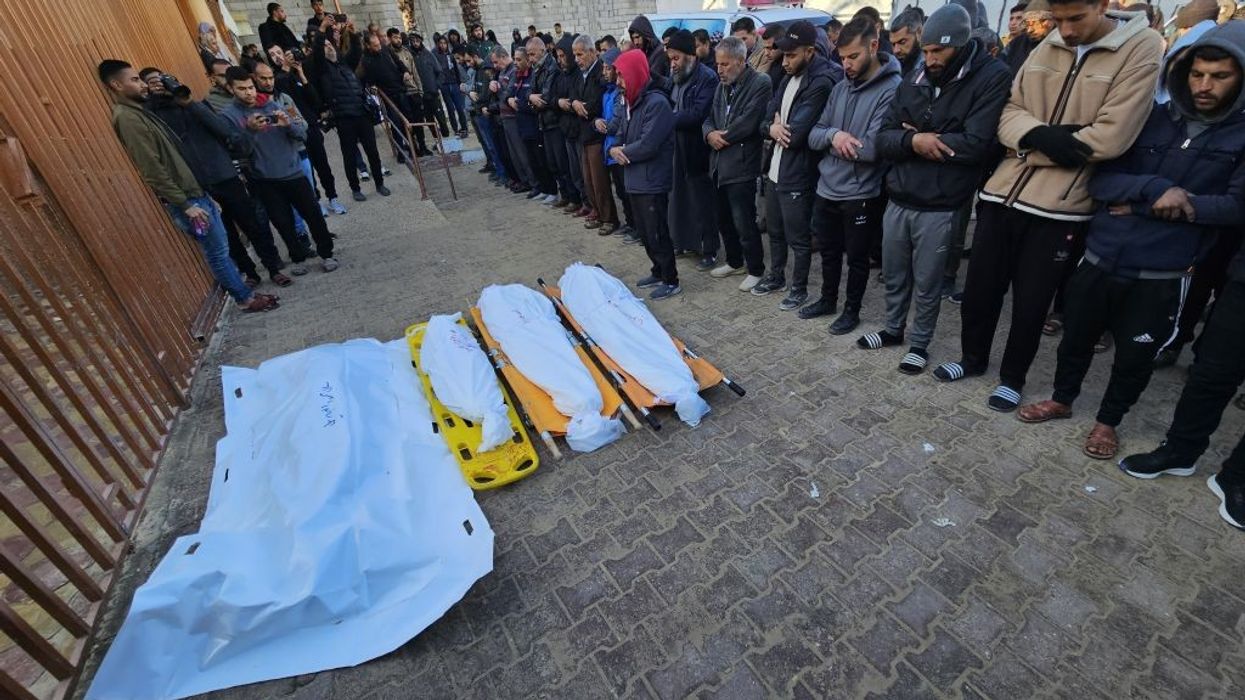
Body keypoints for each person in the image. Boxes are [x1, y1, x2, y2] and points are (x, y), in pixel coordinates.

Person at [1019, 25, 1245, 460]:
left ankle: (1109, 422)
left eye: (1219, 76)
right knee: (1075, 339)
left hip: (1164, 270)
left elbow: (1234, 208)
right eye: (1197, 74)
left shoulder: (1239, 137)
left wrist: (1150, 203)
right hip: (1102, 255)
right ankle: (1062, 399)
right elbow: (1102, 179)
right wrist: (1155, 191)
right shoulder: (1150, 119)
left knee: (1135, 356)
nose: (1204, 85)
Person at [937, 0, 1165, 411]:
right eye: (1057, 19)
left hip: (1062, 206)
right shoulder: (1049, 42)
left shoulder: (1143, 45)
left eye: (1075, 18)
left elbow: (1111, 138)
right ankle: (971, 359)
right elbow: (1007, 114)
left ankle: (1012, 378)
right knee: (979, 291)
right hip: (1002, 193)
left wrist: (1027, 146)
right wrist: (1046, 140)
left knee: (1031, 302)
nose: (1066, 29)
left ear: (1102, 5)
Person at [860, 4, 1011, 375]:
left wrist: (920, 136)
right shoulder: (916, 73)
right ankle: (894, 329)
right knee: (895, 273)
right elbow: (883, 138)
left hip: (943, 203)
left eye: (937, 51)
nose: (929, 59)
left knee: (929, 282)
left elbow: (977, 143)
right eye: (925, 50)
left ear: (960, 44)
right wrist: (915, 141)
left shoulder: (991, 76)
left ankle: (921, 343)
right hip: (900, 194)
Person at [100, 60, 278, 312]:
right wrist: (185, 204)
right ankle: (245, 298)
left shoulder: (143, 112)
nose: (143, 86)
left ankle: (252, 287)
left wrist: (185, 100)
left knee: (228, 241)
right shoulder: (129, 118)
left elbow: (218, 133)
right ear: (116, 85)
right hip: (188, 200)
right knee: (218, 251)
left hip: (202, 190)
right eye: (137, 80)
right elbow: (152, 168)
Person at [143, 67, 292, 288]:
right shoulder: (152, 116)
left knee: (252, 223)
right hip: (197, 184)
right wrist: (154, 100)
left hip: (225, 175)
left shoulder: (194, 105)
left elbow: (222, 130)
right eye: (154, 82)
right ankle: (249, 272)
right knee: (226, 232)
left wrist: (188, 103)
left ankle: (272, 266)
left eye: (165, 80)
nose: (162, 85)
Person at [805, 18, 901, 334]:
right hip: (827, 187)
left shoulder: (892, 90)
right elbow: (813, 135)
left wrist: (832, 140)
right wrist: (835, 136)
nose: (845, 64)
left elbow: (871, 149)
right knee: (829, 253)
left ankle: (852, 310)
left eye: (853, 57)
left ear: (873, 46)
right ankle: (827, 299)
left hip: (861, 193)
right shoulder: (840, 87)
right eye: (842, 57)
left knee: (857, 259)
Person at [219, 67, 338, 274]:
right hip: (265, 180)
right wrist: (250, 131)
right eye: (242, 89)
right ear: (230, 88)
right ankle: (298, 257)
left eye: (250, 87)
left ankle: (327, 253)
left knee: (313, 215)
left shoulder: (271, 103)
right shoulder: (228, 116)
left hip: (293, 172)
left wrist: (287, 125)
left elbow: (302, 134)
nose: (249, 92)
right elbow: (239, 152)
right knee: (283, 222)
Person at [754, 21, 837, 309]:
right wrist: (772, 128)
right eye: (784, 55)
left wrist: (777, 129)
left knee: (798, 236)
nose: (785, 61)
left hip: (799, 171)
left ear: (810, 51)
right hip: (775, 167)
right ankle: (776, 276)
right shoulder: (786, 78)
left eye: (792, 55)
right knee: (774, 229)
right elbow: (764, 122)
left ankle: (799, 288)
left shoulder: (822, 82)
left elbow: (797, 134)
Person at [703, 36, 772, 291]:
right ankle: (734, 261)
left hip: (742, 164)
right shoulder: (722, 85)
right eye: (717, 64)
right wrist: (709, 134)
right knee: (723, 218)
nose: (719, 69)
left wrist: (722, 136)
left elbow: (749, 121)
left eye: (725, 64)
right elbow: (709, 117)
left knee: (743, 219)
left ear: (741, 61)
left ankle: (755, 268)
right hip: (718, 163)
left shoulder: (760, 83)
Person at [610, 49, 679, 300]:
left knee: (657, 231)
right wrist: (614, 147)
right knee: (644, 231)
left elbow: (649, 144)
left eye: (622, 75)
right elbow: (620, 132)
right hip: (634, 178)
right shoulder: (631, 101)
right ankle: (658, 270)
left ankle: (671, 278)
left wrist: (622, 151)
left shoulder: (657, 103)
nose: (618, 81)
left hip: (652, 180)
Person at [309, 18, 390, 201]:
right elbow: (318, 52)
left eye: (331, 45)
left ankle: (379, 183)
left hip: (362, 114)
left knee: (372, 152)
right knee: (349, 156)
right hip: (344, 118)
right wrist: (322, 30)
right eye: (325, 46)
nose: (328, 47)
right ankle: (355, 188)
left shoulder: (344, 64)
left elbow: (356, 51)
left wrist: (352, 32)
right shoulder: (323, 69)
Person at [665, 30, 720, 268]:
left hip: (697, 150)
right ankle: (685, 242)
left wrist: (667, 119)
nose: (673, 64)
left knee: (702, 202)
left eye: (676, 58)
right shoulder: (677, 77)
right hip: (677, 149)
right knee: (680, 198)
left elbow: (699, 114)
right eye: (670, 59)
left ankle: (709, 250)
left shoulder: (706, 77)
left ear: (690, 56)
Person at [571, 35, 618, 234]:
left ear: (591, 52)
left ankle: (609, 219)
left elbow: (596, 102)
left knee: (600, 181)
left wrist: (581, 107)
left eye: (580, 54)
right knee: (588, 180)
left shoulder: (600, 72)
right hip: (583, 133)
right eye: (575, 55)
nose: (577, 59)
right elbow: (574, 94)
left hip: (597, 135)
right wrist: (574, 103)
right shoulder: (579, 74)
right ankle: (597, 213)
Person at [360, 33, 426, 159]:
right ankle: (401, 151)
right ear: (368, 46)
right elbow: (369, 79)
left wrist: (405, 72)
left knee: (408, 119)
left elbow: (399, 62)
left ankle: (413, 147)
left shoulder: (386, 50)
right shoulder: (366, 60)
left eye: (379, 44)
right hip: (388, 95)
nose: (378, 47)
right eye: (375, 46)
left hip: (400, 90)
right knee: (396, 123)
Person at [507, 45, 557, 200]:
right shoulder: (518, 76)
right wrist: (512, 99)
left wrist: (523, 103)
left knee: (543, 161)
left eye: (519, 59)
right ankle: (542, 188)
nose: (515, 62)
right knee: (533, 161)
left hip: (535, 124)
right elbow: (514, 95)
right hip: (524, 126)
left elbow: (537, 100)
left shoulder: (534, 74)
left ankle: (551, 190)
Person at [597, 48, 635, 239]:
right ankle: (630, 224)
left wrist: (603, 125)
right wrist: (598, 122)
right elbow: (605, 120)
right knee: (620, 191)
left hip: (619, 148)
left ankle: (636, 227)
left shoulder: (620, 95)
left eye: (607, 68)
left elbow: (615, 123)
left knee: (626, 192)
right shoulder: (607, 93)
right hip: (610, 149)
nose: (604, 72)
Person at [527, 36, 568, 206]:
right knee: (552, 162)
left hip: (555, 122)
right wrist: (531, 98)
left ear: (542, 51)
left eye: (532, 54)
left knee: (561, 162)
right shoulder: (536, 70)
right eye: (528, 54)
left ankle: (572, 196)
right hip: (544, 122)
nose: (530, 58)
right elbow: (530, 94)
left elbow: (546, 97)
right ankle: (565, 195)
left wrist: (534, 99)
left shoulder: (551, 67)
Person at [491, 45, 533, 192]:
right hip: (504, 116)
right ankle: (523, 180)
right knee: (514, 153)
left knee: (521, 152)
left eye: (497, 62)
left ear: (503, 57)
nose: (495, 66)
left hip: (513, 116)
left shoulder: (513, 72)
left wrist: (499, 90)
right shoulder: (502, 72)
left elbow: (508, 94)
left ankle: (530, 182)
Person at [387, 28, 432, 157]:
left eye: (399, 37)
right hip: (402, 93)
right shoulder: (388, 54)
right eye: (395, 37)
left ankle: (422, 146)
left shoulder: (407, 52)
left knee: (419, 121)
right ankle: (413, 148)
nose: (398, 40)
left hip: (414, 92)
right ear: (390, 38)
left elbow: (415, 72)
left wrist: (420, 89)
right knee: (408, 123)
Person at [554, 34, 586, 213]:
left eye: (562, 56)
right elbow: (551, 97)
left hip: (578, 129)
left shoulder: (578, 74)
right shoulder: (561, 75)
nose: (561, 60)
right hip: (566, 129)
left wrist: (571, 102)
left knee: (583, 172)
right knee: (573, 171)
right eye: (557, 57)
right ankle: (580, 201)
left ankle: (588, 203)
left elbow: (578, 98)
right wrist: (559, 102)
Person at [411, 34, 450, 137]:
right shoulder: (411, 56)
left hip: (433, 93)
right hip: (421, 95)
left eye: (417, 41)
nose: (415, 43)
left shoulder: (428, 54)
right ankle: (437, 140)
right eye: (413, 41)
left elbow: (440, 72)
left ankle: (446, 139)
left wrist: (436, 86)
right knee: (429, 120)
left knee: (441, 118)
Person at [434, 34, 469, 137]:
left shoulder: (451, 56)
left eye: (445, 43)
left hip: (454, 84)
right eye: (441, 43)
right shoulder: (436, 57)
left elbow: (456, 71)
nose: (443, 45)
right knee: (450, 108)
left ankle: (464, 128)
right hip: (444, 85)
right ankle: (455, 129)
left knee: (459, 107)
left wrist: (459, 83)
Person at [628, 15, 671, 87]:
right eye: (633, 38)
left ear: (645, 34)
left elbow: (651, 81)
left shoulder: (660, 52)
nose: (636, 42)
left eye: (637, 37)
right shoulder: (644, 53)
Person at [890, 7, 926, 77]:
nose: (896, 50)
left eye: (902, 42)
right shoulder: (893, 66)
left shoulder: (929, 68)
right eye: (893, 44)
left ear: (919, 32)